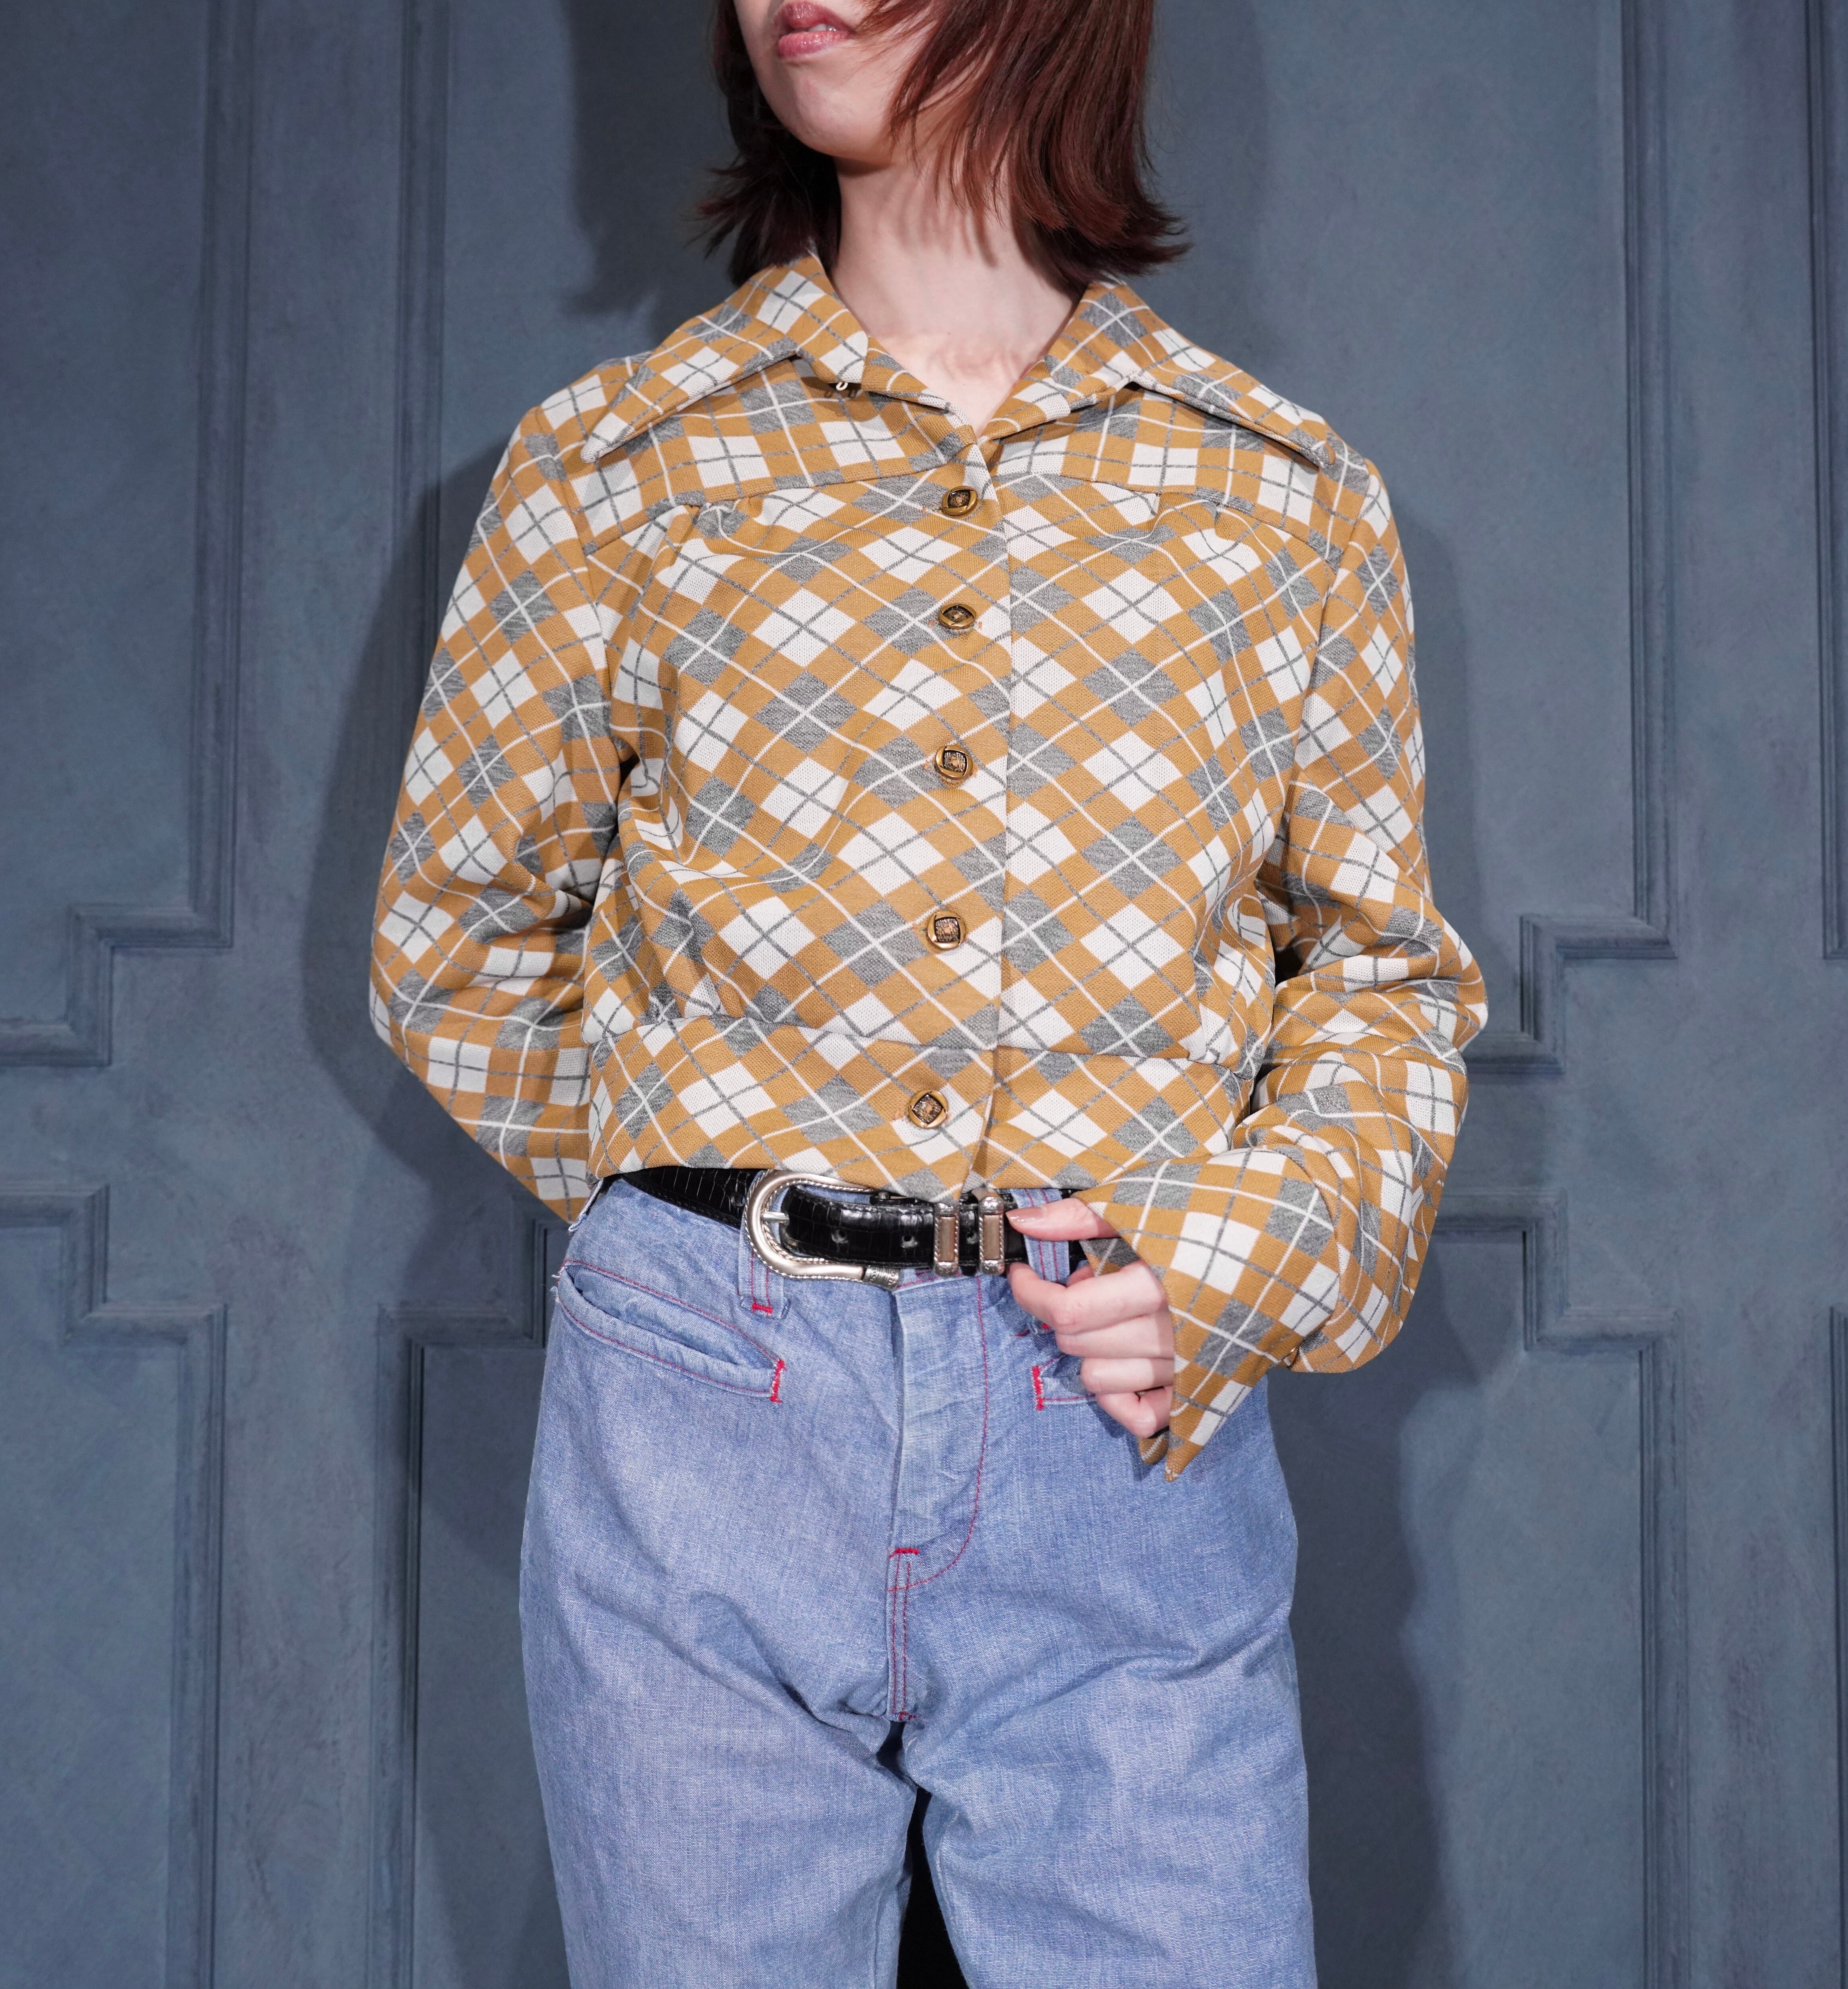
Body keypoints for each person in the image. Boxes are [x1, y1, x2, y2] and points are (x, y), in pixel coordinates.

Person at [370, 0, 1486, 1980]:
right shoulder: (618, 467)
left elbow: (1378, 980)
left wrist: (1225, 1262)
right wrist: (692, 1219)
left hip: (1116, 1437)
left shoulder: (1278, 496)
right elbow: (454, 934)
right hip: (705, 1433)